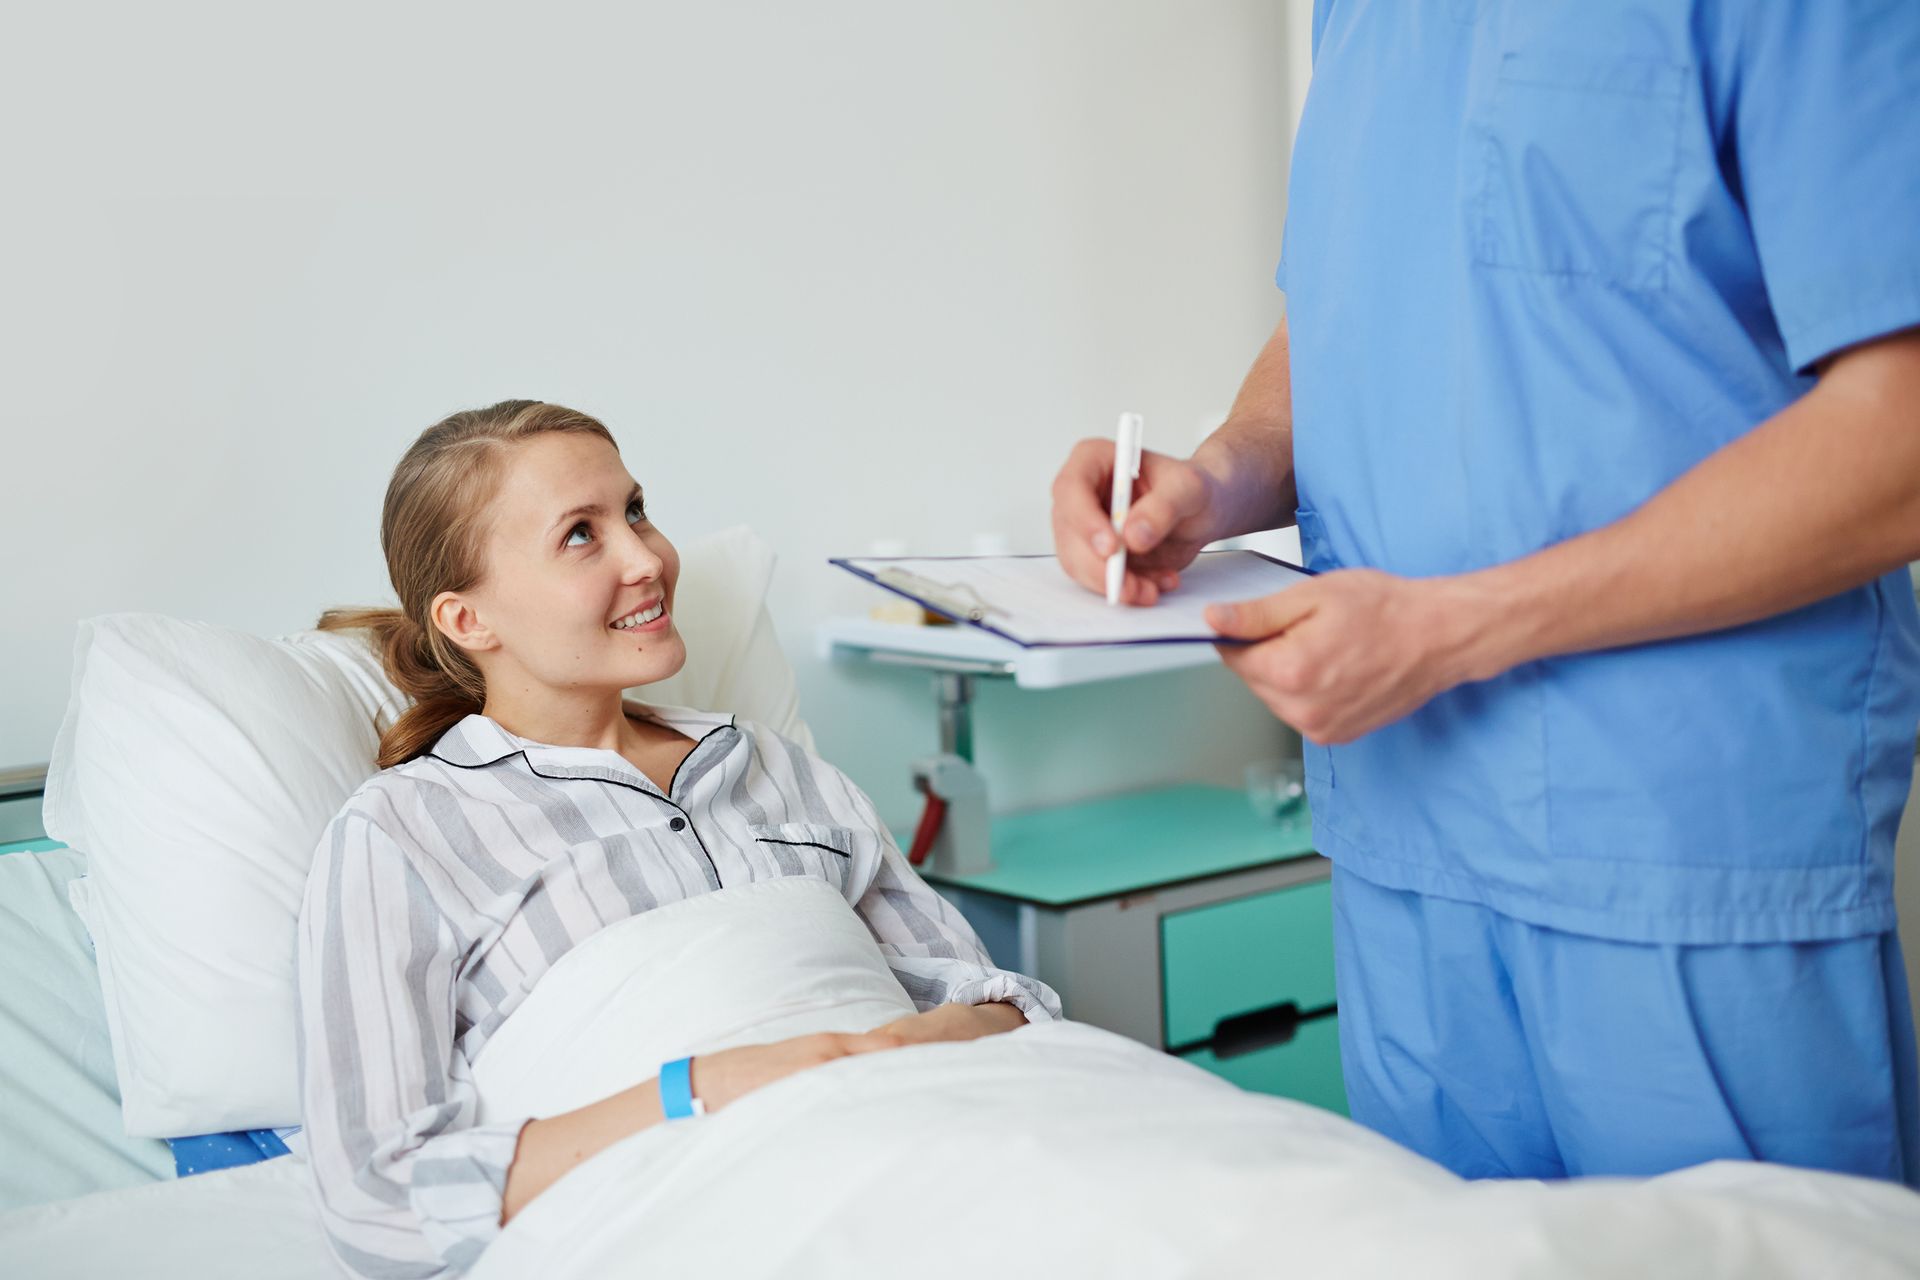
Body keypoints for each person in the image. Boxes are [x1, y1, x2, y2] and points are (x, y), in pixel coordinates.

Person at [1051, 3, 1920, 1187]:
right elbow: (1345, 311)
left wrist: (1453, 628)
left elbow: (1898, 432)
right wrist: (1215, 477)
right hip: (1408, 835)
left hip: (1675, 839)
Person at [299, 400, 1060, 1280]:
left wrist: (881, 1055)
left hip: (945, 1133)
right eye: (580, 536)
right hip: (697, 1211)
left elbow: (1000, 1002)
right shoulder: (401, 833)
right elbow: (377, 1203)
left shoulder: (776, 767)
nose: (647, 558)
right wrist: (706, 1087)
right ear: (469, 621)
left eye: (634, 511)